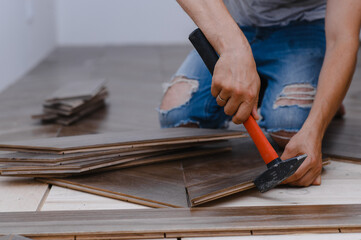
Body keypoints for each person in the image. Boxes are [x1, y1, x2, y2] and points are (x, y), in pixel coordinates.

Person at [158, 0, 361, 187]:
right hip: (234, 24)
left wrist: (315, 128)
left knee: (289, 131)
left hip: (304, 25)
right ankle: (262, 83)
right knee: (177, 116)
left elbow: (342, 39)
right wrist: (233, 48)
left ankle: (321, 93)